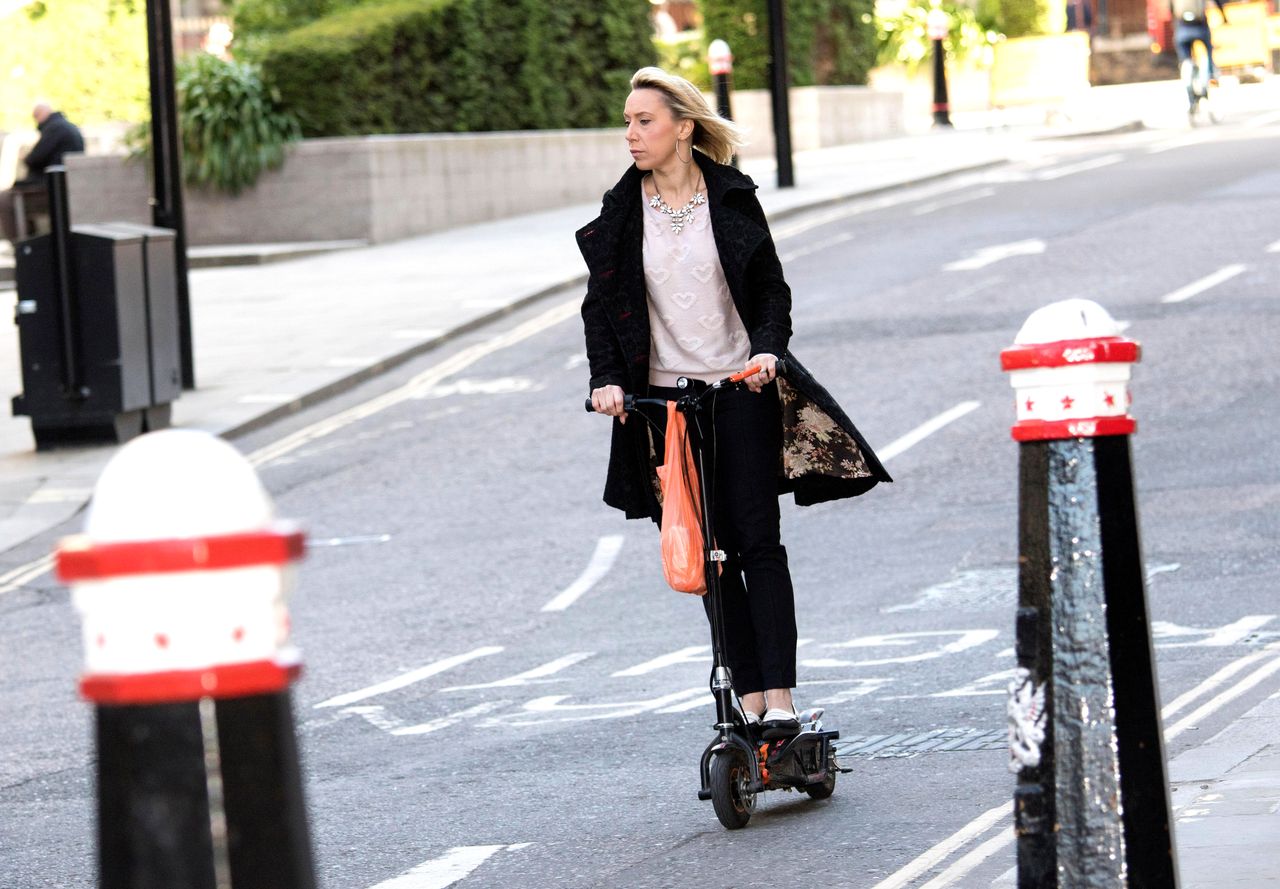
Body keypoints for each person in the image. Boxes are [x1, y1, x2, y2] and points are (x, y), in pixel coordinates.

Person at [577, 67, 891, 737]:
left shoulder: (730, 199)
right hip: (666, 409)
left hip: (739, 388)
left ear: (683, 127)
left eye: (644, 121)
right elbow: (599, 311)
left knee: (758, 543)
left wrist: (768, 351)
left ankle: (780, 696)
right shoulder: (619, 214)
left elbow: (771, 291)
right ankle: (747, 699)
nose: (630, 134)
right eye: (627, 122)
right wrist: (607, 380)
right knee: (710, 551)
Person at [1, 101, 85, 244]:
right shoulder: (67, 126)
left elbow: (35, 158)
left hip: (50, 188)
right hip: (63, 187)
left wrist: (25, 157)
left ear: (40, 114)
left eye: (36, 117)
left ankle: (24, 246)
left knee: (4, 200)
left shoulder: (55, 128)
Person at [1171, 0, 1228, 83]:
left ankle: (1186, 65)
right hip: (1200, 26)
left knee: (1185, 54)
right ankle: (1211, 73)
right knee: (1208, 48)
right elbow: (1217, 2)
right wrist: (1224, 17)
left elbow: (1171, 9)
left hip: (1182, 28)